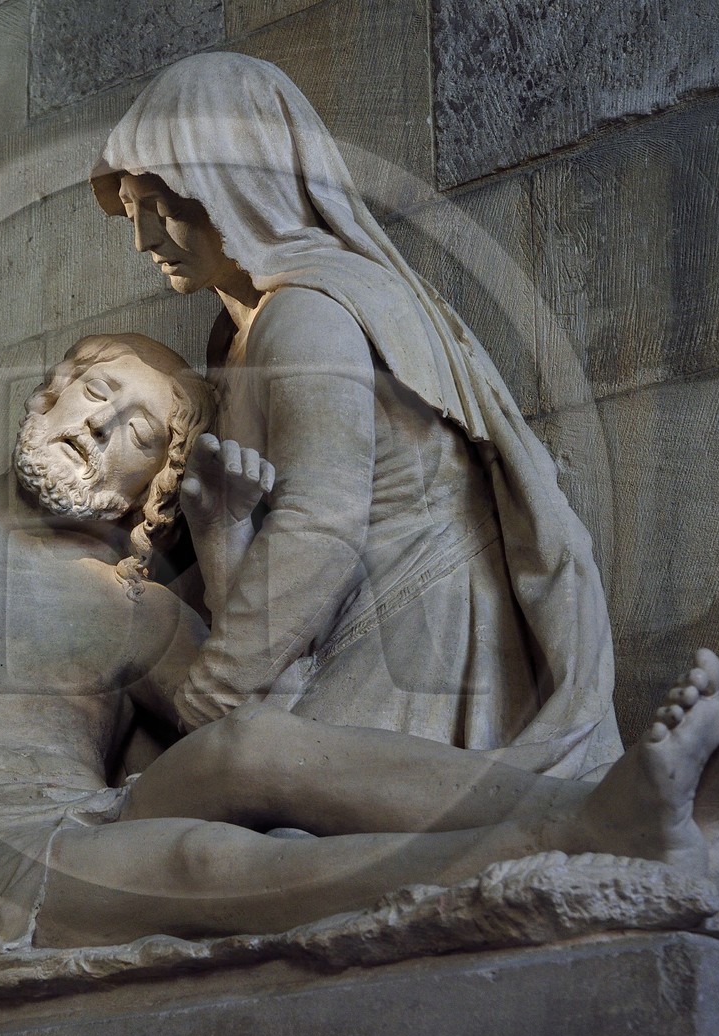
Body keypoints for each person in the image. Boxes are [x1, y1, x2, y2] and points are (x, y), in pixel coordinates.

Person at [0, 331, 719, 986]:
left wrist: (227, 537)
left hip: (78, 823)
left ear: (156, 486)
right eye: (95, 388)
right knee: (205, 865)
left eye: (138, 428)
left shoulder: (128, 608)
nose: (100, 424)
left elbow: (276, 711)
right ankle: (586, 835)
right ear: (43, 391)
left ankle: (605, 802)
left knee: (253, 747)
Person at [92, 52, 622, 781]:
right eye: (131, 212)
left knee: (258, 844)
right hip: (330, 632)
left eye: (162, 207)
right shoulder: (242, 338)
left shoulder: (307, 316)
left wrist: (210, 698)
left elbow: (321, 522)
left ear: (235, 187)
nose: (143, 239)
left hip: (419, 638)